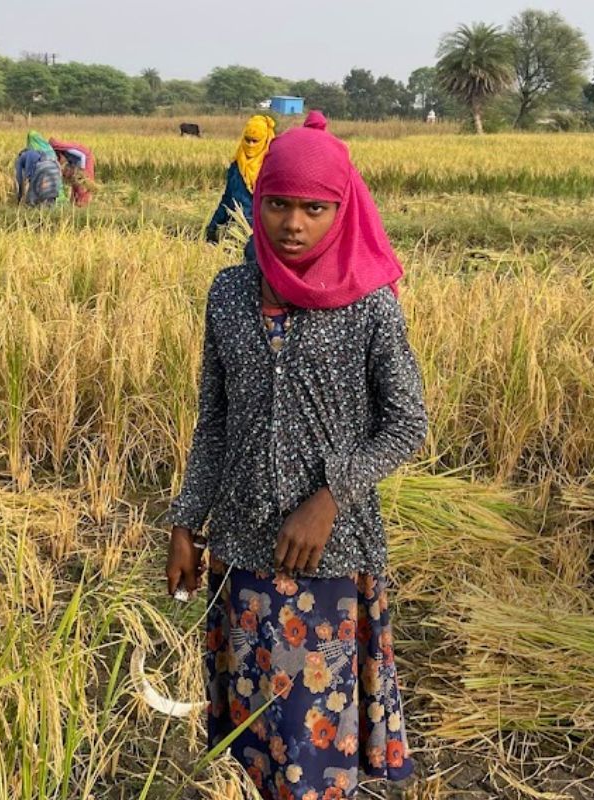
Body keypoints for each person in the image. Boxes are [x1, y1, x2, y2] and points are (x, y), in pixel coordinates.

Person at [165, 115, 426, 800]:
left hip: (330, 557)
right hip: (244, 550)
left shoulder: (369, 304)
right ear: (258, 202)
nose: (294, 223)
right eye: (278, 203)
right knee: (249, 737)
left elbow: (407, 424)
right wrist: (186, 522)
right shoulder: (228, 294)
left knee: (311, 751)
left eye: (315, 208)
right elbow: (214, 420)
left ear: (342, 209)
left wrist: (330, 497)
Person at [205, 114, 276, 244]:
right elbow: (227, 198)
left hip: (261, 238)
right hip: (236, 231)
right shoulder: (236, 165)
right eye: (247, 140)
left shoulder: (272, 168)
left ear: (266, 140)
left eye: (255, 141)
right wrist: (213, 225)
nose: (250, 145)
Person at [14, 131, 60, 206]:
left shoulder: (20, 159)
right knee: (51, 192)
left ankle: (34, 212)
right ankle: (50, 211)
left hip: (41, 167)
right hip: (55, 167)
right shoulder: (39, 151)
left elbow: (19, 179)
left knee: (32, 197)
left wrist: (19, 198)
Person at [49, 138, 96, 206]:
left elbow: (83, 156)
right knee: (75, 183)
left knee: (83, 183)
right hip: (76, 166)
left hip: (85, 164)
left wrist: (82, 169)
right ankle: (74, 201)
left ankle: (83, 201)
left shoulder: (69, 150)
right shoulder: (63, 153)